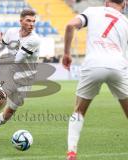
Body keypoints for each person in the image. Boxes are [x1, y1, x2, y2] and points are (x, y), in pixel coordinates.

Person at [62, 0, 128, 159]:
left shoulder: (92, 11)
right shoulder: (126, 22)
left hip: (93, 65)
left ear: (106, 2)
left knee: (78, 111)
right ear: (124, 5)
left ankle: (72, 151)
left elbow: (70, 25)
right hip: (118, 66)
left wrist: (66, 54)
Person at [0, 9, 40, 143]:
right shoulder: (11, 32)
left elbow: (17, 59)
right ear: (21, 21)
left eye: (34, 21)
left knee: (9, 111)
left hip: (25, 79)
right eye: (28, 20)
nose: (31, 24)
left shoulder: (34, 40)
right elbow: (1, 47)